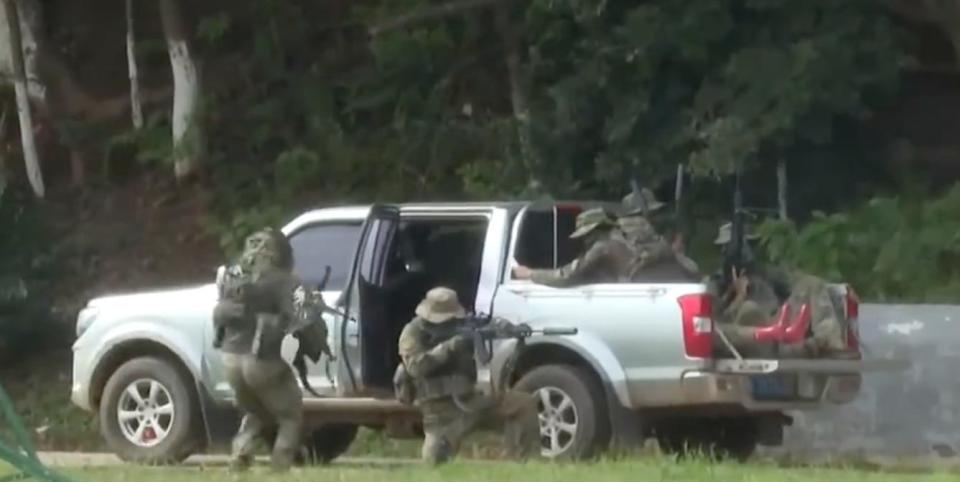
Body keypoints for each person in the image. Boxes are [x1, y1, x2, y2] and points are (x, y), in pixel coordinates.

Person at [397, 287, 539, 465]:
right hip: (439, 410)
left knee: (523, 404)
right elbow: (415, 367)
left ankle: (527, 466)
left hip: (471, 400)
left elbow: (486, 326)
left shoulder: (461, 325)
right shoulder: (413, 332)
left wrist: (508, 329)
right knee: (435, 462)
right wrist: (450, 347)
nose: (450, 323)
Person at [212, 228, 304, 472]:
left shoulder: (234, 277)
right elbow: (298, 317)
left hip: (231, 358)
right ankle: (280, 466)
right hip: (262, 359)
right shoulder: (283, 280)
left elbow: (219, 314)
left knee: (253, 411)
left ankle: (240, 457)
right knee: (290, 414)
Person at [512, 208, 634, 286]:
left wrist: (530, 274)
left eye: (586, 235)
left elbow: (567, 276)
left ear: (595, 230)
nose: (585, 240)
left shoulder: (602, 248)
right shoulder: (621, 240)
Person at [618, 189, 699, 280]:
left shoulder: (657, 237)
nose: (655, 217)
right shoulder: (622, 239)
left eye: (654, 213)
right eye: (651, 213)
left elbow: (691, 268)